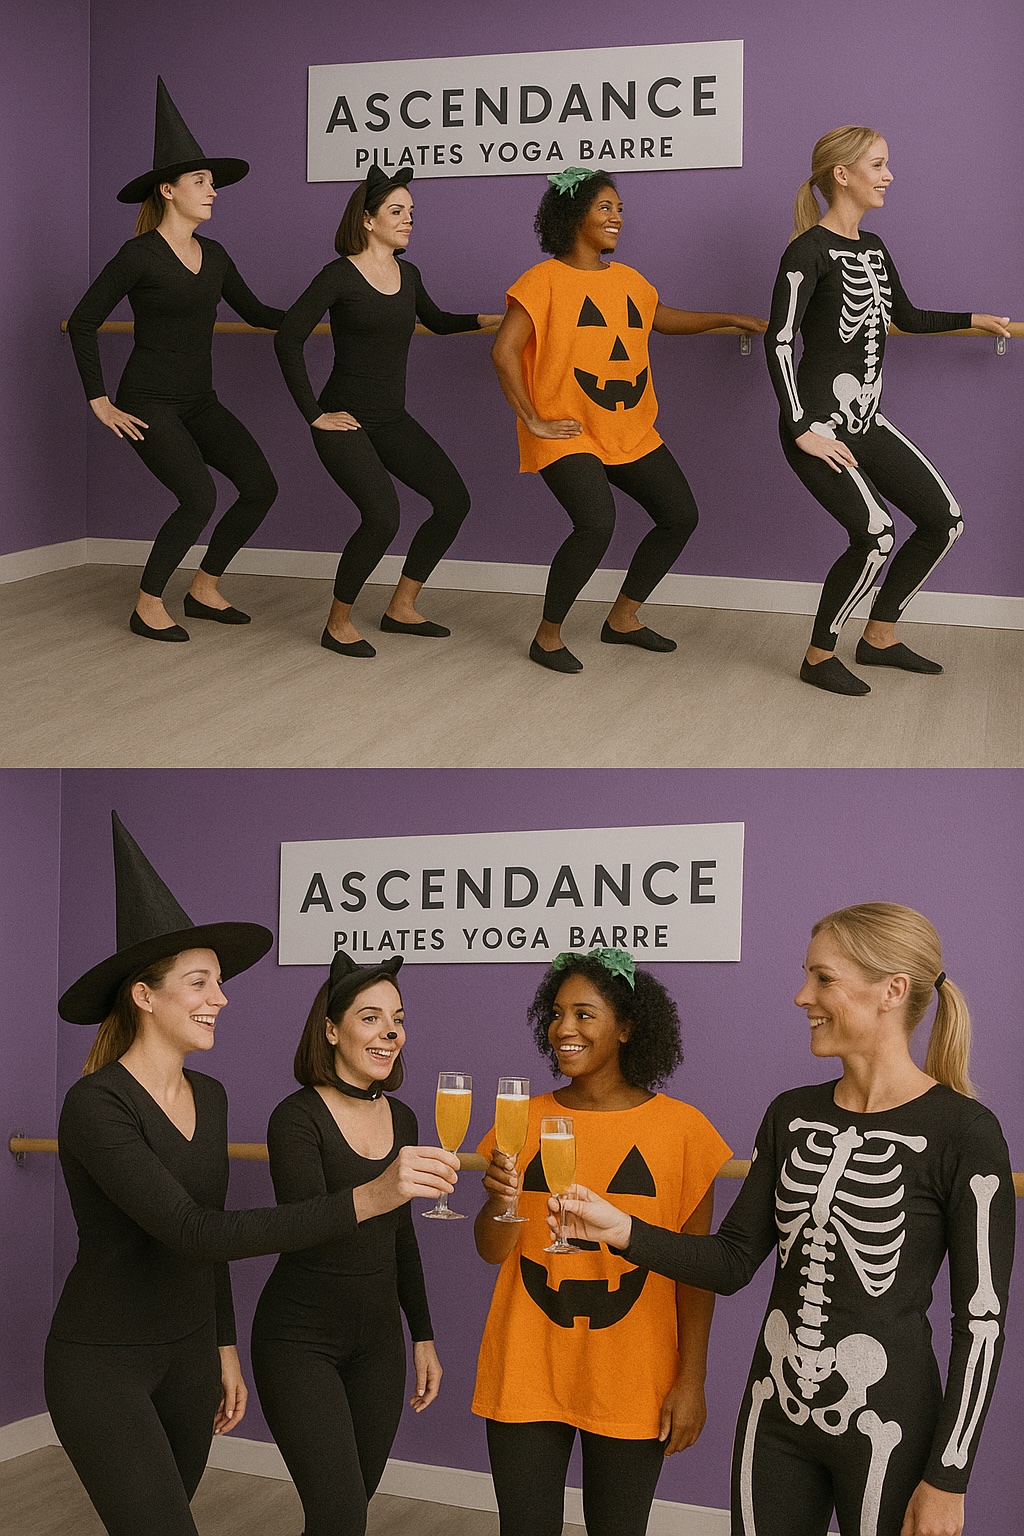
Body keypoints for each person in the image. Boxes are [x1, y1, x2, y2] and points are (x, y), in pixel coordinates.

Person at [46, 813, 457, 1536]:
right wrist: (370, 1195)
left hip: (188, 1360)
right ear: (145, 996)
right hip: (103, 1361)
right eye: (200, 982)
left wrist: (221, 1347)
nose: (221, 997)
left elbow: (201, 1246)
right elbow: (194, 1230)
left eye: (219, 982)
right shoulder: (96, 1104)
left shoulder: (209, 1097)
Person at [555, 905, 1015, 1536]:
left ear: (892, 991)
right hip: (773, 1414)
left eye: (823, 979)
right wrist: (622, 1231)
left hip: (887, 1424)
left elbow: (981, 1324)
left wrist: (949, 1477)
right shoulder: (791, 1115)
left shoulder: (965, 1132)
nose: (802, 996)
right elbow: (731, 1262)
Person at [472, 946, 731, 1536]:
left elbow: (696, 1271)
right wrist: (501, 1202)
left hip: (634, 1374)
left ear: (627, 1028)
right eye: (557, 1014)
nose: (564, 1028)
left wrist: (692, 1380)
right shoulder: (519, 1119)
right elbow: (492, 1250)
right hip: (527, 1364)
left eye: (584, 1014)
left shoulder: (684, 1131)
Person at [764, 126, 1011, 695]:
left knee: (944, 521)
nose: (888, 176)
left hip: (865, 420)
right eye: (877, 165)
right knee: (876, 534)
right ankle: (819, 655)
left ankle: (878, 636)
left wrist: (972, 319)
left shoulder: (873, 247)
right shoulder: (806, 252)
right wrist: (801, 428)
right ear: (841, 175)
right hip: (818, 426)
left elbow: (906, 316)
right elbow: (779, 341)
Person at [491, 167, 766, 673]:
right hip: (567, 429)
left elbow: (663, 319)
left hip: (627, 427)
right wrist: (532, 419)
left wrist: (729, 318)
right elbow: (504, 351)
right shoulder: (541, 280)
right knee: (596, 523)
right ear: (574, 215)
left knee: (679, 516)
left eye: (619, 208)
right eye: (605, 207)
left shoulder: (629, 280)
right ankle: (547, 637)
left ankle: (622, 618)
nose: (617, 216)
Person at [67, 77, 284, 641]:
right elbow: (83, 321)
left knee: (260, 486)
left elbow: (259, 312)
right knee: (198, 497)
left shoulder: (215, 255)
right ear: (168, 190)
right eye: (200, 182)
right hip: (149, 402)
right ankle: (146, 604)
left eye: (212, 183)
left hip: (199, 401)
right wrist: (99, 401)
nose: (212, 192)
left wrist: (329, 309)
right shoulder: (139, 255)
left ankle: (204, 588)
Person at [250, 951, 442, 1536]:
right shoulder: (295, 1117)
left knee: (349, 1511)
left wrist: (423, 1335)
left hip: (379, 1344)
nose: (390, 1033)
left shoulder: (403, 1119)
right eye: (370, 1017)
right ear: (331, 1030)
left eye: (398, 1019)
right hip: (299, 1340)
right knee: (338, 1513)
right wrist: (380, 1190)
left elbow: (402, 1236)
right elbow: (305, 1228)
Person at [274, 165, 502, 656]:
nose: (408, 220)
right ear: (367, 219)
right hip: (344, 419)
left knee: (453, 501)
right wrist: (314, 413)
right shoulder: (338, 275)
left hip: (391, 418)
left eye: (411, 212)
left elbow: (436, 321)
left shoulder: (408, 274)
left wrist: (491, 319)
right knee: (382, 517)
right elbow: (288, 338)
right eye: (396, 211)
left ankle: (401, 607)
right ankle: (337, 623)